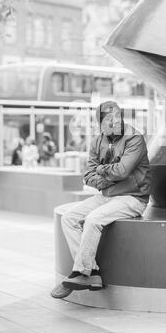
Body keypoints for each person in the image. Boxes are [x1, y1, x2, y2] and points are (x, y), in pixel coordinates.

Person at [51, 100, 151, 299]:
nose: (114, 122)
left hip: (133, 197)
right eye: (108, 119)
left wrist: (101, 171)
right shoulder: (97, 141)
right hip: (106, 195)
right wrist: (108, 179)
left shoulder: (135, 138)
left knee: (93, 219)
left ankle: (81, 272)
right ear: (101, 123)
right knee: (69, 218)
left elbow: (122, 171)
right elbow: (88, 175)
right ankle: (90, 271)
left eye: (117, 117)